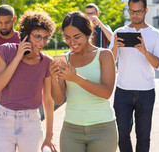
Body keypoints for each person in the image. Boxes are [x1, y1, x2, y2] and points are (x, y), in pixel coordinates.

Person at [50, 11, 118, 152]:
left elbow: (106, 93)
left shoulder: (104, 55)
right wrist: (52, 77)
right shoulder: (64, 59)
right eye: (67, 38)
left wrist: (75, 78)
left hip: (103, 128)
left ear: (89, 33)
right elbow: (58, 99)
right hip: (71, 129)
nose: (72, 43)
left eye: (77, 37)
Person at [0, 10, 57, 152]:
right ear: (26, 35)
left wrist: (49, 136)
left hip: (31, 122)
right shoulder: (6, 51)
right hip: (3, 120)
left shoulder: (46, 62)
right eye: (37, 37)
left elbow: (48, 99)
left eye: (46, 38)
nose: (42, 42)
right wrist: (17, 58)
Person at [109, 0, 159, 152]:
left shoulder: (156, 35)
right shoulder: (119, 32)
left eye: (139, 12)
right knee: (122, 134)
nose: (135, 15)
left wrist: (145, 52)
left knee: (143, 136)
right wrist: (115, 48)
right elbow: (109, 62)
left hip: (146, 92)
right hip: (123, 92)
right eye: (132, 11)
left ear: (146, 11)